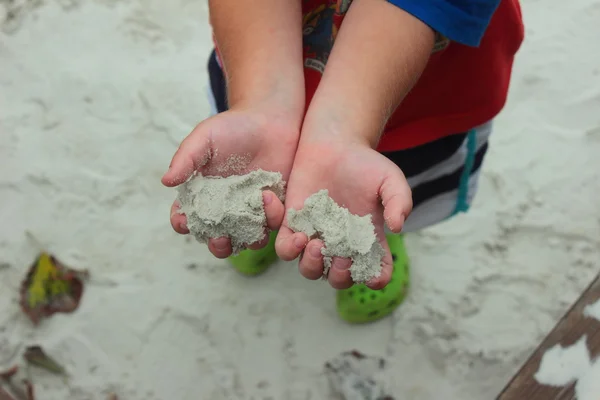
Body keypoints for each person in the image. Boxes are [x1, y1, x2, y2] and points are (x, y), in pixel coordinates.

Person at [162, 0, 524, 324]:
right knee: (261, 154)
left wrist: (343, 131)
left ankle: (381, 229)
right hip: (257, 59)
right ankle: (269, 209)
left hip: (418, 100)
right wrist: (261, 104)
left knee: (385, 192)